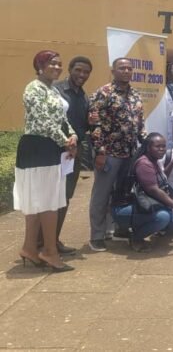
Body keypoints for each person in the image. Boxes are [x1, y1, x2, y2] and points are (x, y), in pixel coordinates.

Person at [15, 50, 77, 272]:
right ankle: (49, 251)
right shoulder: (33, 88)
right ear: (40, 65)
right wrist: (65, 142)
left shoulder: (52, 90)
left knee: (42, 200)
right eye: (53, 63)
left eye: (60, 64)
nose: (58, 67)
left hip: (51, 147)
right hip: (38, 147)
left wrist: (73, 135)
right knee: (47, 202)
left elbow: (62, 119)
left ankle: (29, 248)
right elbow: (43, 121)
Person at [89, 58, 146, 252]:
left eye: (130, 68)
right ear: (113, 71)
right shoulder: (103, 93)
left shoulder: (136, 95)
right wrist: (99, 152)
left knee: (122, 194)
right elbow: (94, 126)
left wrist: (149, 142)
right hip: (109, 153)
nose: (126, 71)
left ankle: (116, 228)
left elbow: (139, 124)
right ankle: (97, 235)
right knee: (101, 194)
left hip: (129, 153)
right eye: (122, 68)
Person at [50, 55, 92, 255]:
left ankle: (54, 240)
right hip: (55, 151)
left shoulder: (84, 97)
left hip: (74, 154)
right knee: (50, 197)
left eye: (86, 72)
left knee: (65, 197)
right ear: (70, 69)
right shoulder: (55, 90)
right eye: (78, 70)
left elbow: (85, 126)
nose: (82, 75)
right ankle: (43, 242)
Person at [111, 133, 173, 252]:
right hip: (125, 209)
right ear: (148, 147)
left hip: (143, 205)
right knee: (163, 217)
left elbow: (163, 180)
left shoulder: (154, 161)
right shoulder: (144, 163)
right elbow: (153, 189)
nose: (162, 149)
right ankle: (136, 237)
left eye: (164, 146)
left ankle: (143, 228)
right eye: (157, 146)